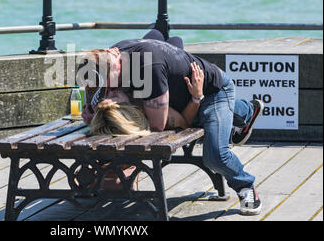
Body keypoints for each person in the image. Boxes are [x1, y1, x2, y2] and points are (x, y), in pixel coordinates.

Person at [79, 29, 263, 216]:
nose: (109, 89)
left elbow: (158, 125)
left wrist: (127, 101)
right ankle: (248, 110)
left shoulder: (147, 69)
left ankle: (245, 186)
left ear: (116, 63)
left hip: (211, 92)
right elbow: (94, 91)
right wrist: (93, 111)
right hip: (173, 92)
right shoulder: (110, 57)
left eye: (110, 84)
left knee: (215, 155)